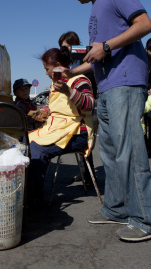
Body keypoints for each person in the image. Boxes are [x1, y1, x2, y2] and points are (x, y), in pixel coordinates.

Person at [57, 0, 151, 242]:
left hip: (126, 81)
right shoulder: (95, 9)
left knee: (129, 150)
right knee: (110, 152)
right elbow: (97, 58)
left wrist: (106, 45)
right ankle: (117, 208)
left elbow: (145, 24)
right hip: (106, 86)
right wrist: (71, 72)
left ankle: (149, 220)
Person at [28, 47, 94, 207]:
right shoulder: (54, 84)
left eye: (47, 69)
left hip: (77, 134)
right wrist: (44, 111)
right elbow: (59, 107)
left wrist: (69, 91)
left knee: (37, 150)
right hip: (57, 130)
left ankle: (34, 199)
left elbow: (90, 105)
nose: (45, 73)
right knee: (23, 141)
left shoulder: (79, 80)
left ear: (57, 65)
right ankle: (27, 190)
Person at [58, 31, 97, 187]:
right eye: (62, 47)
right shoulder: (66, 61)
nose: (64, 50)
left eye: (66, 47)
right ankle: (84, 172)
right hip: (73, 104)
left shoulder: (86, 57)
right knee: (79, 139)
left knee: (86, 139)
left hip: (87, 101)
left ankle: (89, 175)